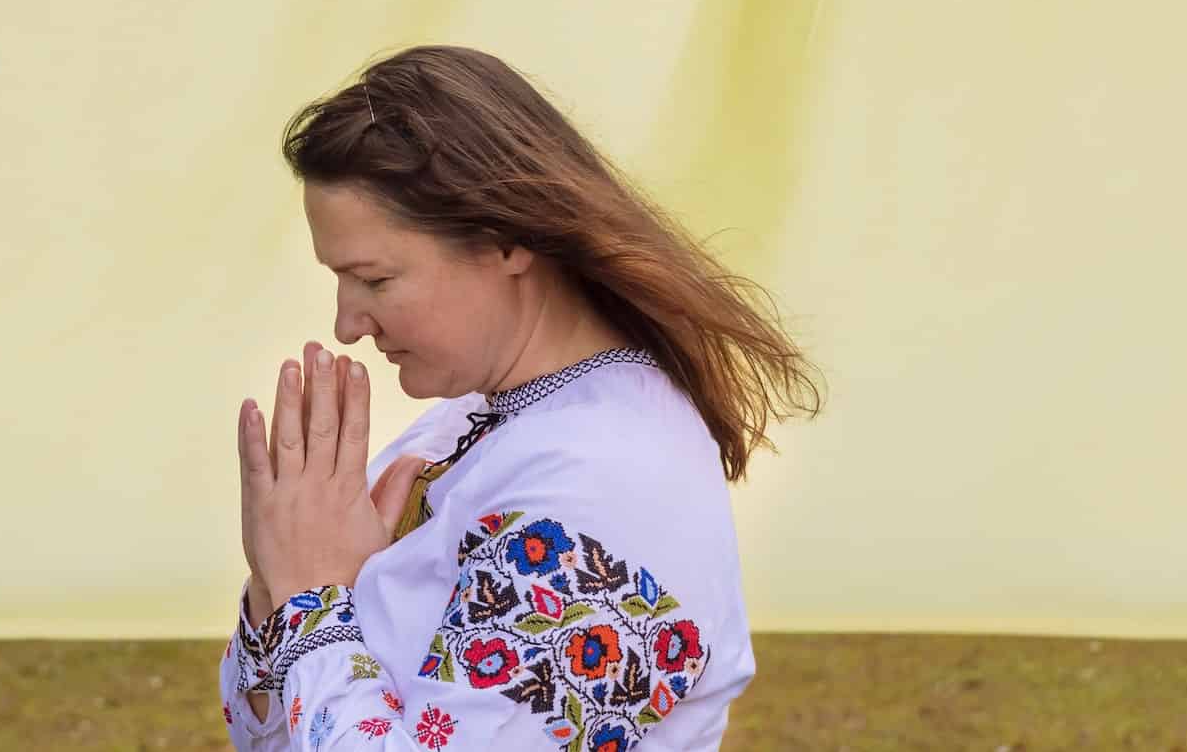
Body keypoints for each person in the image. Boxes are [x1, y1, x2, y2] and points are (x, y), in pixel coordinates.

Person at [218, 45, 820, 750]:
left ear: (506, 241)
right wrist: (285, 578)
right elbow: (275, 735)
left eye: (375, 281)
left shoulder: (607, 484)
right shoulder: (468, 427)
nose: (347, 325)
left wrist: (312, 602)